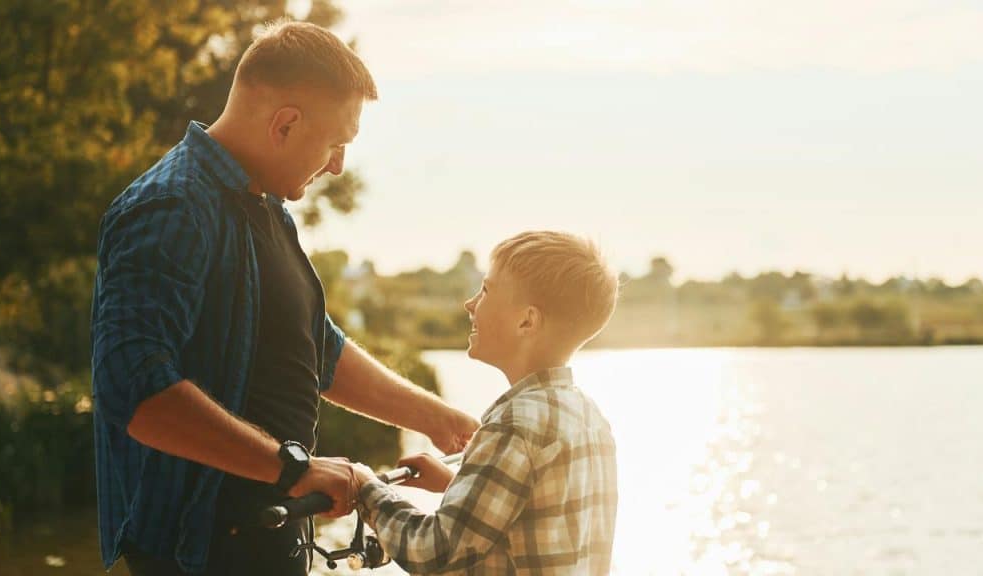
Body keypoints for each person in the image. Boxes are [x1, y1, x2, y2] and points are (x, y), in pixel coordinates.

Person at [90, 21, 478, 576]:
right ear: (286, 124)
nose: (338, 164)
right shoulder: (170, 206)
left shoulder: (268, 208)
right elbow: (133, 386)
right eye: (336, 143)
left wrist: (438, 419)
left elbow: (314, 347)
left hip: (270, 537)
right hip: (196, 553)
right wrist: (293, 468)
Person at [351, 231, 620, 574]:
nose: (470, 303)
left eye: (486, 290)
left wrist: (366, 488)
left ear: (527, 321)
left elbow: (435, 552)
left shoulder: (515, 423)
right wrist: (456, 484)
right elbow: (538, 518)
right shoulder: (590, 417)